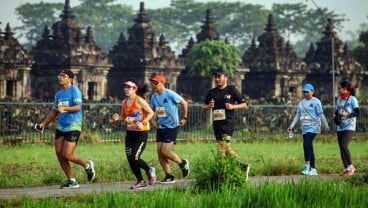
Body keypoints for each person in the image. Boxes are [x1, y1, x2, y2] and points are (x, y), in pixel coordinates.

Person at [35, 70, 95, 189]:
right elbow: (54, 111)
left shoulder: (75, 91)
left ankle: (87, 165)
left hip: (73, 126)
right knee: (59, 153)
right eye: (59, 75)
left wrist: (66, 108)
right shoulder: (58, 94)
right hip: (61, 126)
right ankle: (72, 180)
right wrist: (43, 124)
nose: (60, 77)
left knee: (67, 154)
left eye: (64, 76)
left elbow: (78, 107)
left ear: (71, 79)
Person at [202, 68, 250, 179]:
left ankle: (221, 174)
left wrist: (233, 106)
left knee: (221, 149)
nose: (217, 79)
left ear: (226, 77)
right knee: (227, 148)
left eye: (219, 77)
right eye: (216, 77)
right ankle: (242, 167)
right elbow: (203, 106)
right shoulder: (212, 92)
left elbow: (244, 105)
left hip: (228, 123)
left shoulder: (232, 90)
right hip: (217, 124)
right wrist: (209, 106)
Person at [112, 79, 156, 189]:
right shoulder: (124, 102)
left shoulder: (139, 100)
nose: (125, 89)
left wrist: (143, 122)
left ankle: (149, 169)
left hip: (141, 134)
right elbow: (123, 116)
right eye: (125, 87)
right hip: (130, 134)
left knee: (135, 158)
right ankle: (140, 181)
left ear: (134, 89)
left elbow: (151, 112)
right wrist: (118, 119)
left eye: (128, 87)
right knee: (130, 159)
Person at [149, 74, 190, 184]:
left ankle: (182, 163)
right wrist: (153, 121)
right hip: (161, 127)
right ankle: (169, 176)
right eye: (152, 83)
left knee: (165, 151)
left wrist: (184, 117)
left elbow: (184, 103)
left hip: (172, 126)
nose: (154, 85)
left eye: (156, 83)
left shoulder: (169, 94)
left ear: (162, 83)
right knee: (159, 152)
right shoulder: (154, 97)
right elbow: (151, 110)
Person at [287, 83, 330, 176]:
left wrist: (326, 125)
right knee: (309, 146)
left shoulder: (316, 102)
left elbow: (321, 114)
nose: (306, 93)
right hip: (305, 127)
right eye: (304, 92)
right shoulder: (301, 103)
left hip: (314, 127)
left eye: (307, 92)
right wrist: (291, 126)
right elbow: (297, 115)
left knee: (306, 144)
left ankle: (307, 165)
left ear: (312, 91)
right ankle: (313, 168)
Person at [334, 80, 359, 176]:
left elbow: (357, 113)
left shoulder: (352, 99)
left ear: (345, 89)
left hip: (350, 126)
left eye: (340, 88)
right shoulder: (339, 99)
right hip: (340, 126)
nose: (339, 89)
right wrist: (335, 116)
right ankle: (346, 168)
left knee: (344, 145)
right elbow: (337, 112)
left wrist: (348, 114)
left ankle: (351, 166)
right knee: (341, 147)